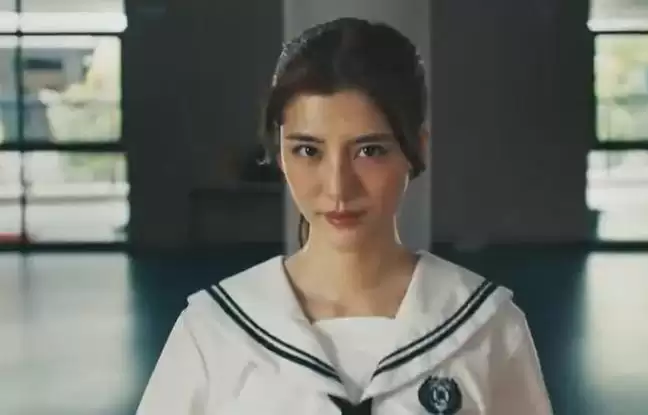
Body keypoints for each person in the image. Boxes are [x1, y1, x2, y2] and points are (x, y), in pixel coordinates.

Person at [135, 17, 553, 415]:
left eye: (369, 150)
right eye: (308, 150)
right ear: (280, 153)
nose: (338, 187)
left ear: (416, 149)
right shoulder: (213, 331)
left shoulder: (487, 328)